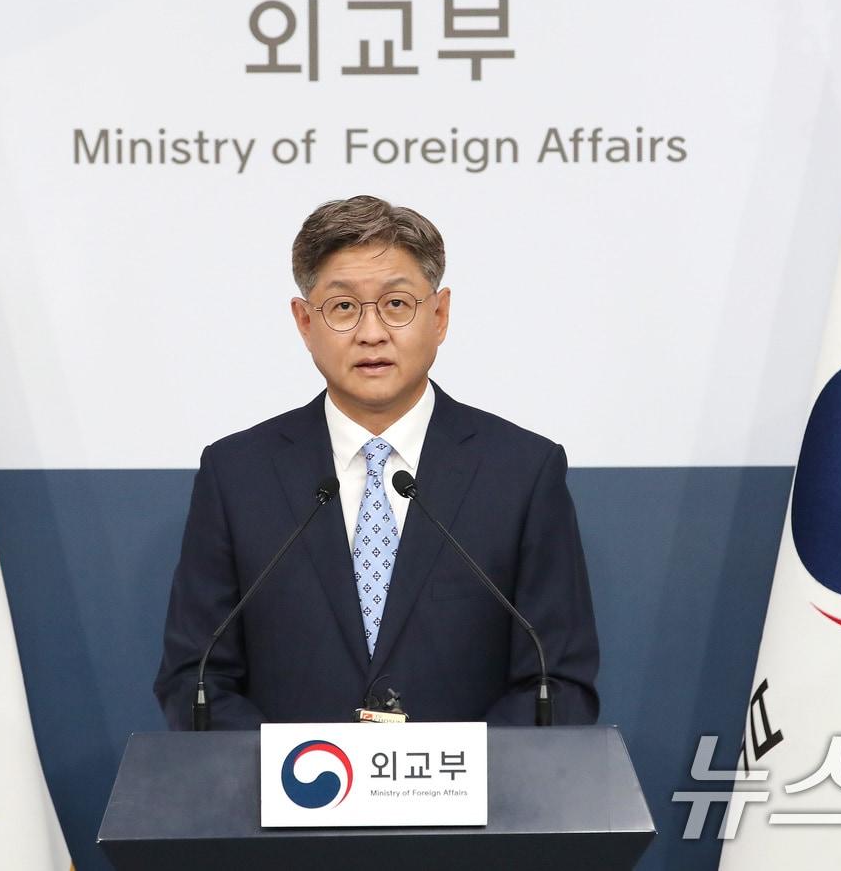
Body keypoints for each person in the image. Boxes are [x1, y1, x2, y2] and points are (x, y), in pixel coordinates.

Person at [154, 195, 600, 728]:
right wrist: (296, 769)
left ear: (440, 315)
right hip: (292, 781)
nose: (372, 333)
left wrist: (452, 770)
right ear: (304, 321)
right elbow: (196, 679)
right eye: (343, 307)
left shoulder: (521, 472)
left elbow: (556, 683)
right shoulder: (237, 475)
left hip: (469, 786)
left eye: (396, 304)